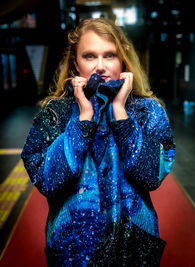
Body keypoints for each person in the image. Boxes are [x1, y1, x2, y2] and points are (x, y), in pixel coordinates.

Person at [21, 18, 176, 266]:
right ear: (75, 62)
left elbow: (152, 175)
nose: (100, 66)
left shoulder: (147, 110)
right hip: (74, 252)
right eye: (90, 56)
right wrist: (83, 120)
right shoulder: (56, 113)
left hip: (132, 251)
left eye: (110, 55)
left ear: (123, 59)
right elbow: (46, 180)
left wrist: (120, 113)